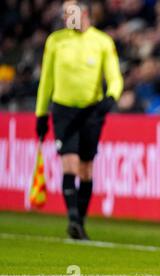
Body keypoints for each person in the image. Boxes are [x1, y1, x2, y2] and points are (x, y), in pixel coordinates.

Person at [35, 0, 123, 240]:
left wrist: (111, 98)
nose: (65, 17)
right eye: (64, 13)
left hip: (91, 112)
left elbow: (115, 77)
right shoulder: (56, 40)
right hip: (63, 110)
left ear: (84, 13)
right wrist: (41, 113)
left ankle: (79, 222)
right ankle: (73, 218)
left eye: (69, 12)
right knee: (70, 164)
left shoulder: (102, 41)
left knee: (86, 169)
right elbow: (46, 79)